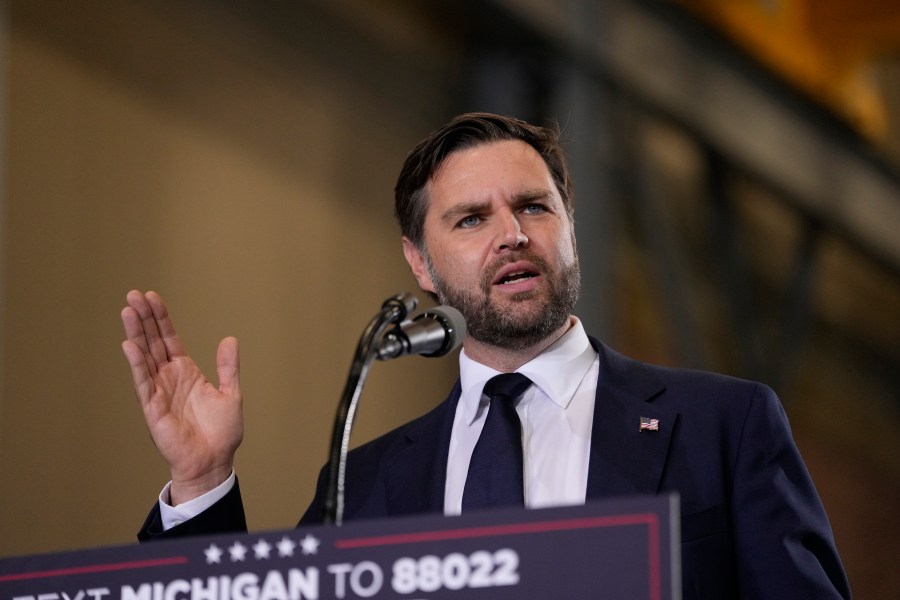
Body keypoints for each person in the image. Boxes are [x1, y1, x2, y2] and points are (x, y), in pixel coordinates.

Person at [121, 113, 851, 598]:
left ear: (569, 225)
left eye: (534, 206)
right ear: (419, 263)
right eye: (471, 218)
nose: (512, 234)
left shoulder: (724, 424)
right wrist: (203, 479)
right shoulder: (370, 482)